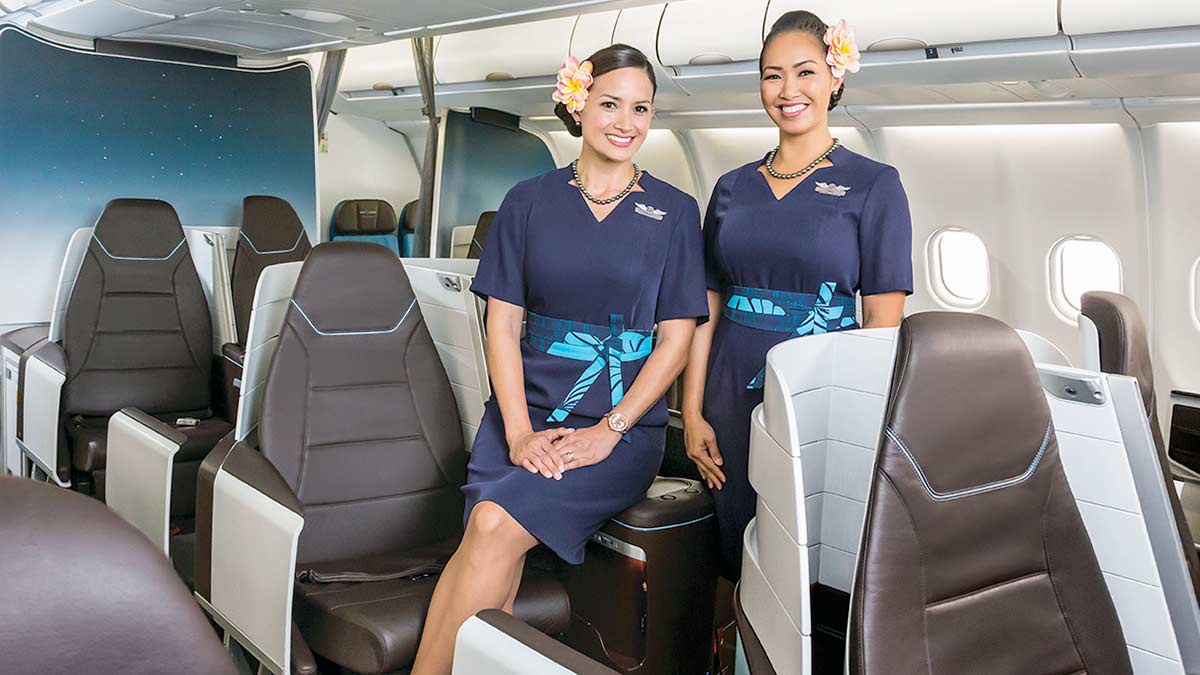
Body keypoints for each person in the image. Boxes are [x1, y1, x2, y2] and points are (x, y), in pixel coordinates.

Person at [411, 44, 709, 674]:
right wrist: (517, 432)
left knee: (492, 527)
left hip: (618, 429)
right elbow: (503, 325)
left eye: (641, 109)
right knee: (486, 532)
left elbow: (675, 341)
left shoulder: (676, 212)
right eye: (609, 104)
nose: (625, 122)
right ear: (579, 104)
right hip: (523, 415)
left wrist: (610, 431)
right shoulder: (527, 201)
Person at [682, 11, 914, 581]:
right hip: (728, 386)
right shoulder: (732, 186)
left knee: (803, 552)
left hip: (818, 386)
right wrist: (690, 410)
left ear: (835, 78)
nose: (788, 91)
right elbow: (706, 304)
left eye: (805, 72)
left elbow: (882, 326)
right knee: (735, 540)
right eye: (772, 76)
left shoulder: (875, 185)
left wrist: (860, 423)